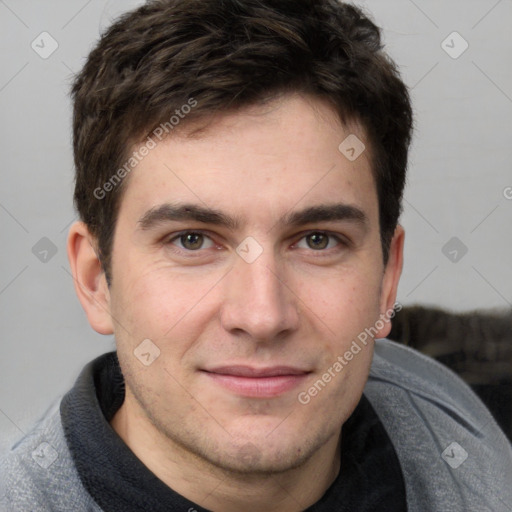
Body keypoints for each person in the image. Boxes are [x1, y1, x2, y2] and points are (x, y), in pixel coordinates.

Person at [1, 0, 511, 510]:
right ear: (96, 281)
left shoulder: (465, 444)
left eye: (318, 240)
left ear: (386, 278)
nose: (263, 316)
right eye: (192, 240)